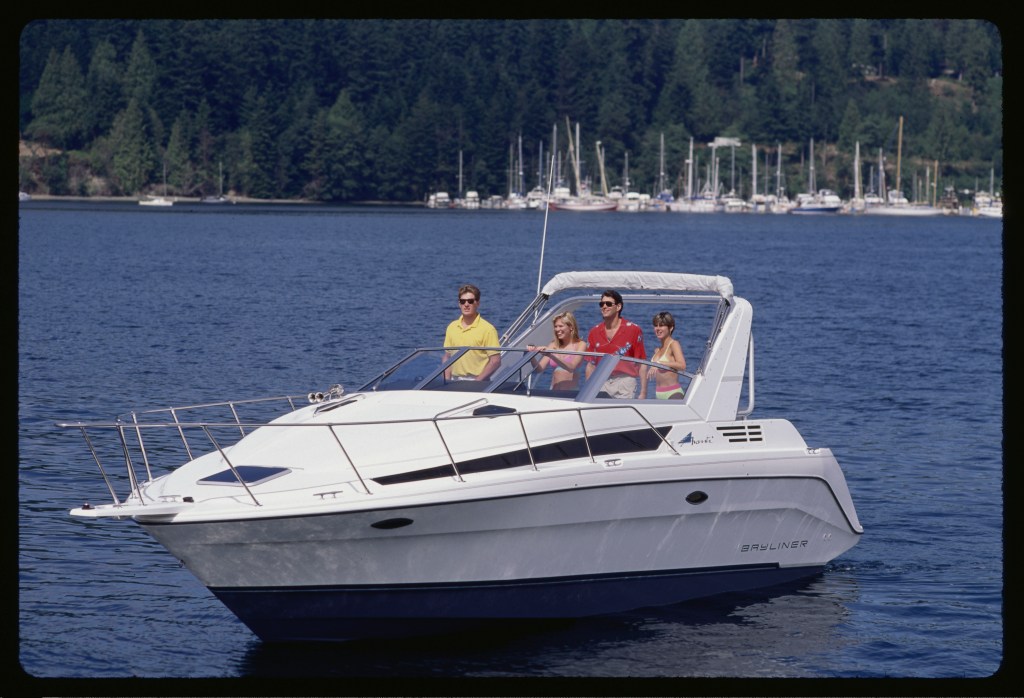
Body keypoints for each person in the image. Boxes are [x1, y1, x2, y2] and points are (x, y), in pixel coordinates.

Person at [584, 289, 647, 398]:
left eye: (608, 304)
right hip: (600, 382)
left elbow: (642, 363)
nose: (604, 306)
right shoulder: (594, 332)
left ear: (618, 307)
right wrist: (587, 390)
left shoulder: (633, 330)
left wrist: (643, 392)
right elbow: (591, 365)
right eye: (601, 304)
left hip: (625, 382)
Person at [443, 283, 501, 381]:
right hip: (453, 381)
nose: (466, 304)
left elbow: (495, 361)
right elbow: (447, 357)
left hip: (478, 382)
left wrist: (476, 382)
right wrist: (446, 380)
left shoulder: (488, 329)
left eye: (470, 301)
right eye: (463, 301)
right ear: (459, 304)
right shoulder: (452, 327)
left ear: (477, 303)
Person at [526, 312, 587, 390]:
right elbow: (539, 369)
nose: (557, 329)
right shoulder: (553, 345)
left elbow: (572, 367)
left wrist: (551, 355)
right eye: (556, 326)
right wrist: (531, 355)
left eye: (560, 326)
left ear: (571, 327)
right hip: (553, 392)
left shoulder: (581, 344)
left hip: (571, 393)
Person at [643, 311, 686, 399]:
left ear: (671, 328)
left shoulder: (674, 344)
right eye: (656, 325)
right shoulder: (657, 350)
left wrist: (659, 363)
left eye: (661, 325)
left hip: (673, 393)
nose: (658, 328)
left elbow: (682, 365)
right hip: (659, 394)